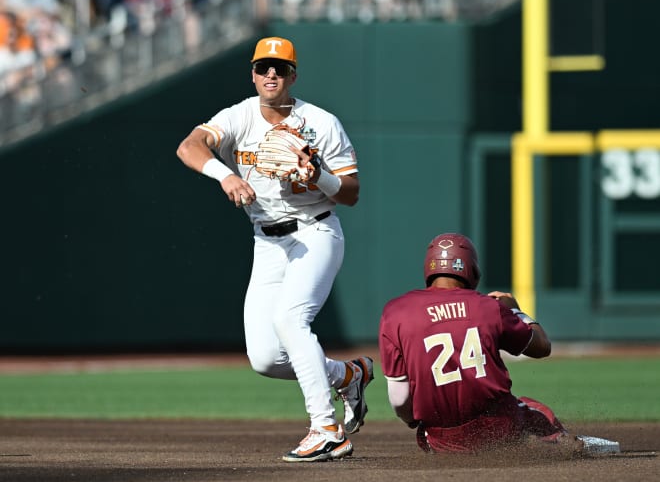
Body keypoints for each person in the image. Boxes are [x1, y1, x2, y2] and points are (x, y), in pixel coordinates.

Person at [176, 36, 374, 462]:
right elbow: (188, 146)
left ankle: (326, 429)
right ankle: (348, 374)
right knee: (265, 358)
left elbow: (352, 193)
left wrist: (319, 174)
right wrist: (224, 176)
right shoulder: (238, 116)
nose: (271, 75)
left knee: (289, 320)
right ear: (252, 73)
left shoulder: (320, 122)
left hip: (315, 232)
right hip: (266, 241)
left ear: (293, 75)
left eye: (280, 68)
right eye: (263, 67)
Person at [378, 233, 619, 455]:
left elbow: (399, 400)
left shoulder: (395, 312)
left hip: (440, 439)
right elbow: (542, 347)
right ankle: (566, 443)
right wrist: (515, 310)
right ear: (471, 268)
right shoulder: (488, 307)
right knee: (535, 410)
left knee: (438, 432)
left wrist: (417, 421)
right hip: (498, 426)